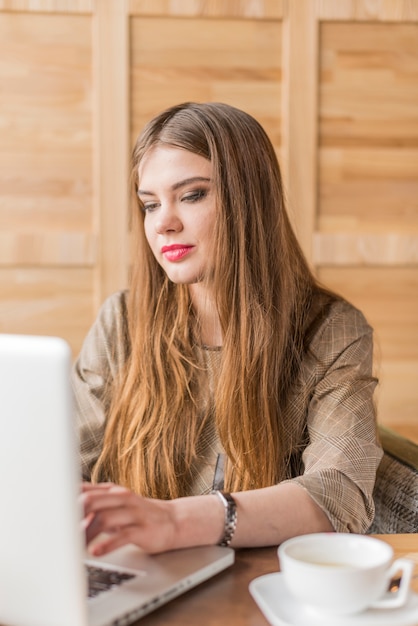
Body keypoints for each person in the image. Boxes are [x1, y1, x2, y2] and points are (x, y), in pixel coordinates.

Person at [74, 101, 383, 557]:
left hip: (252, 586)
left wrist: (175, 521)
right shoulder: (120, 321)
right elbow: (61, 461)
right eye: (150, 204)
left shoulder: (332, 331)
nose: (164, 223)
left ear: (249, 200)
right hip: (127, 571)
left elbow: (340, 494)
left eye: (193, 194)